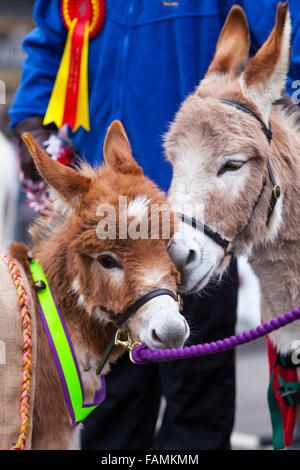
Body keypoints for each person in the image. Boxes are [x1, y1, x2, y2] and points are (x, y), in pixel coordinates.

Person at [9, 0, 298, 450]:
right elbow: (51, 41)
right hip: (108, 222)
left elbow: (283, 33)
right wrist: (31, 113)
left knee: (195, 394)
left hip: (193, 218)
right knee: (110, 400)